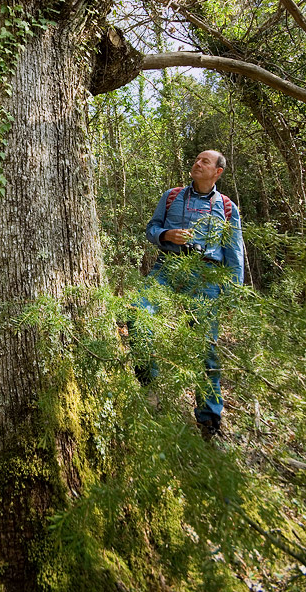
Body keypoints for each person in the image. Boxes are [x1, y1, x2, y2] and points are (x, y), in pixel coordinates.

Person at [128, 150, 244, 439]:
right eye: (196, 159)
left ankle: (209, 423)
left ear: (218, 172)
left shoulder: (227, 207)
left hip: (205, 276)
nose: (197, 163)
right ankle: (150, 390)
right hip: (167, 267)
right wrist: (166, 235)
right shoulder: (172, 195)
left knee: (206, 348)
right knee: (137, 314)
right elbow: (152, 228)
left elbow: (235, 252)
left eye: (205, 161)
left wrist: (231, 293)